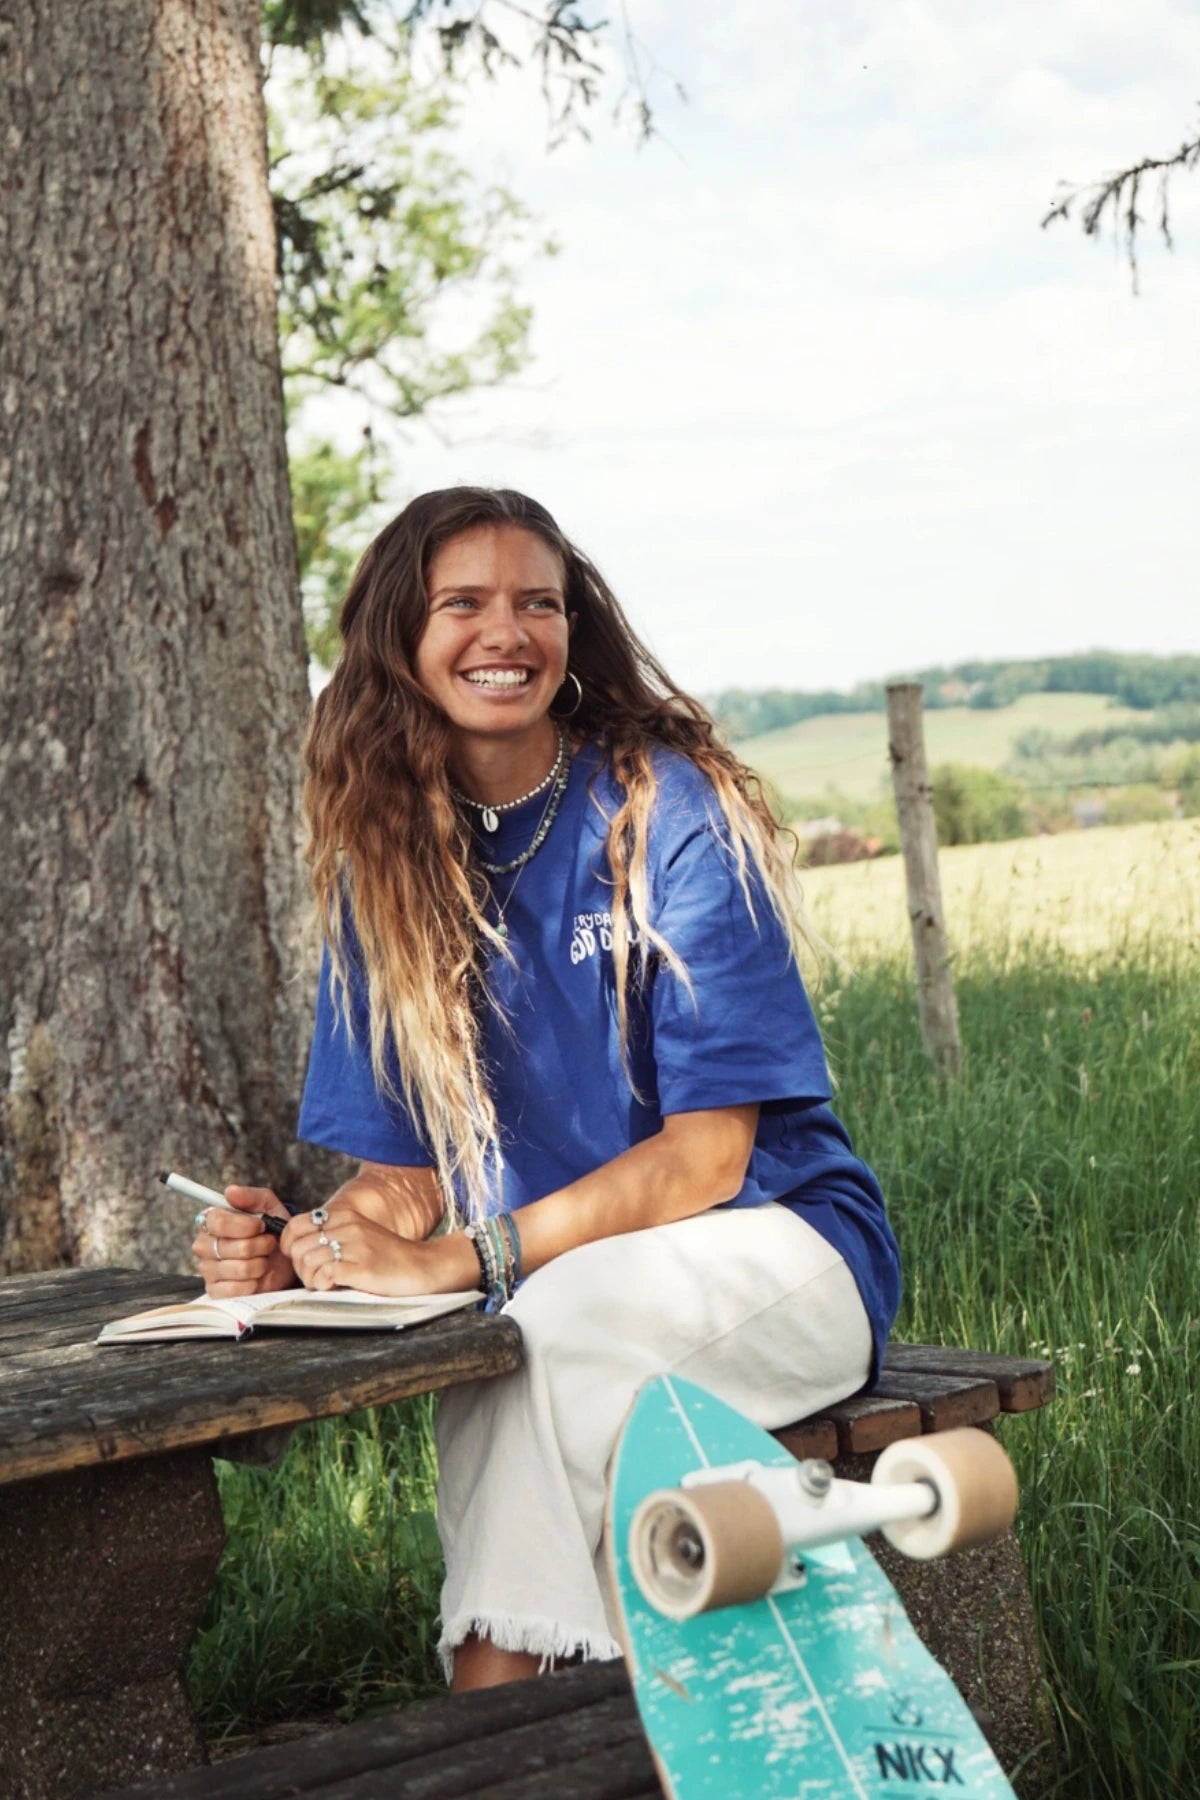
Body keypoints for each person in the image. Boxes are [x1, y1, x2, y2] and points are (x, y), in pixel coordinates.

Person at [191, 486, 901, 1694]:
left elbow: (707, 1160)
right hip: (561, 1289)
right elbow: (406, 1174)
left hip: (779, 1250)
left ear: (575, 634)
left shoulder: (668, 807)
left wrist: (469, 1259)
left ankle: (491, 1712)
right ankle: (588, 1721)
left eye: (539, 603)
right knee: (548, 1375)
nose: (504, 632)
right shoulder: (388, 865)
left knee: (523, 1345)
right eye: (462, 603)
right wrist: (320, 1244)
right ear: (400, 643)